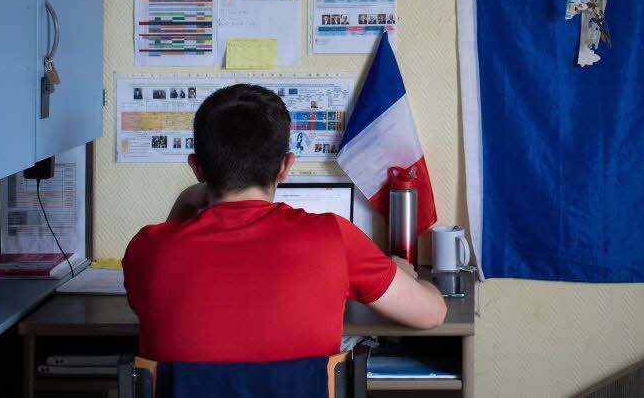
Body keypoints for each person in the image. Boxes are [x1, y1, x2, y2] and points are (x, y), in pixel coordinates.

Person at [124, 84, 446, 363]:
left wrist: (185, 201)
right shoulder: (333, 237)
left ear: (197, 169)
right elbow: (432, 314)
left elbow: (148, 307)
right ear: (286, 167)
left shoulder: (148, 248)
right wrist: (404, 275)